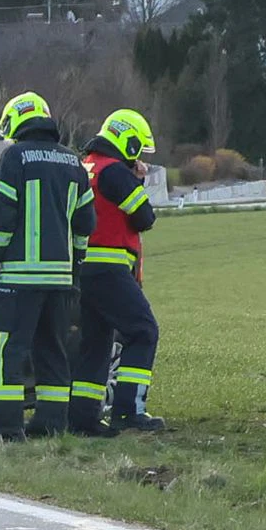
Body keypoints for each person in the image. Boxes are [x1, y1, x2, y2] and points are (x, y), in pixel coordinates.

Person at [0, 90, 92, 440]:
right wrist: (75, 268)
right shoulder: (73, 162)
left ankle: (7, 429)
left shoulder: (14, 157)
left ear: (15, 123)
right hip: (59, 280)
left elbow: (1, 218)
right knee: (52, 351)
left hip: (17, 278)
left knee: (6, 351)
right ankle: (51, 425)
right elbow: (85, 224)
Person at [78, 106, 163, 433]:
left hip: (82, 270)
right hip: (110, 269)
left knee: (95, 343)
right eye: (137, 150)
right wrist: (138, 181)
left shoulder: (86, 166)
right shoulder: (115, 171)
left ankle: (83, 417)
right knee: (143, 331)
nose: (137, 157)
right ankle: (129, 411)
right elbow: (144, 218)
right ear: (128, 142)